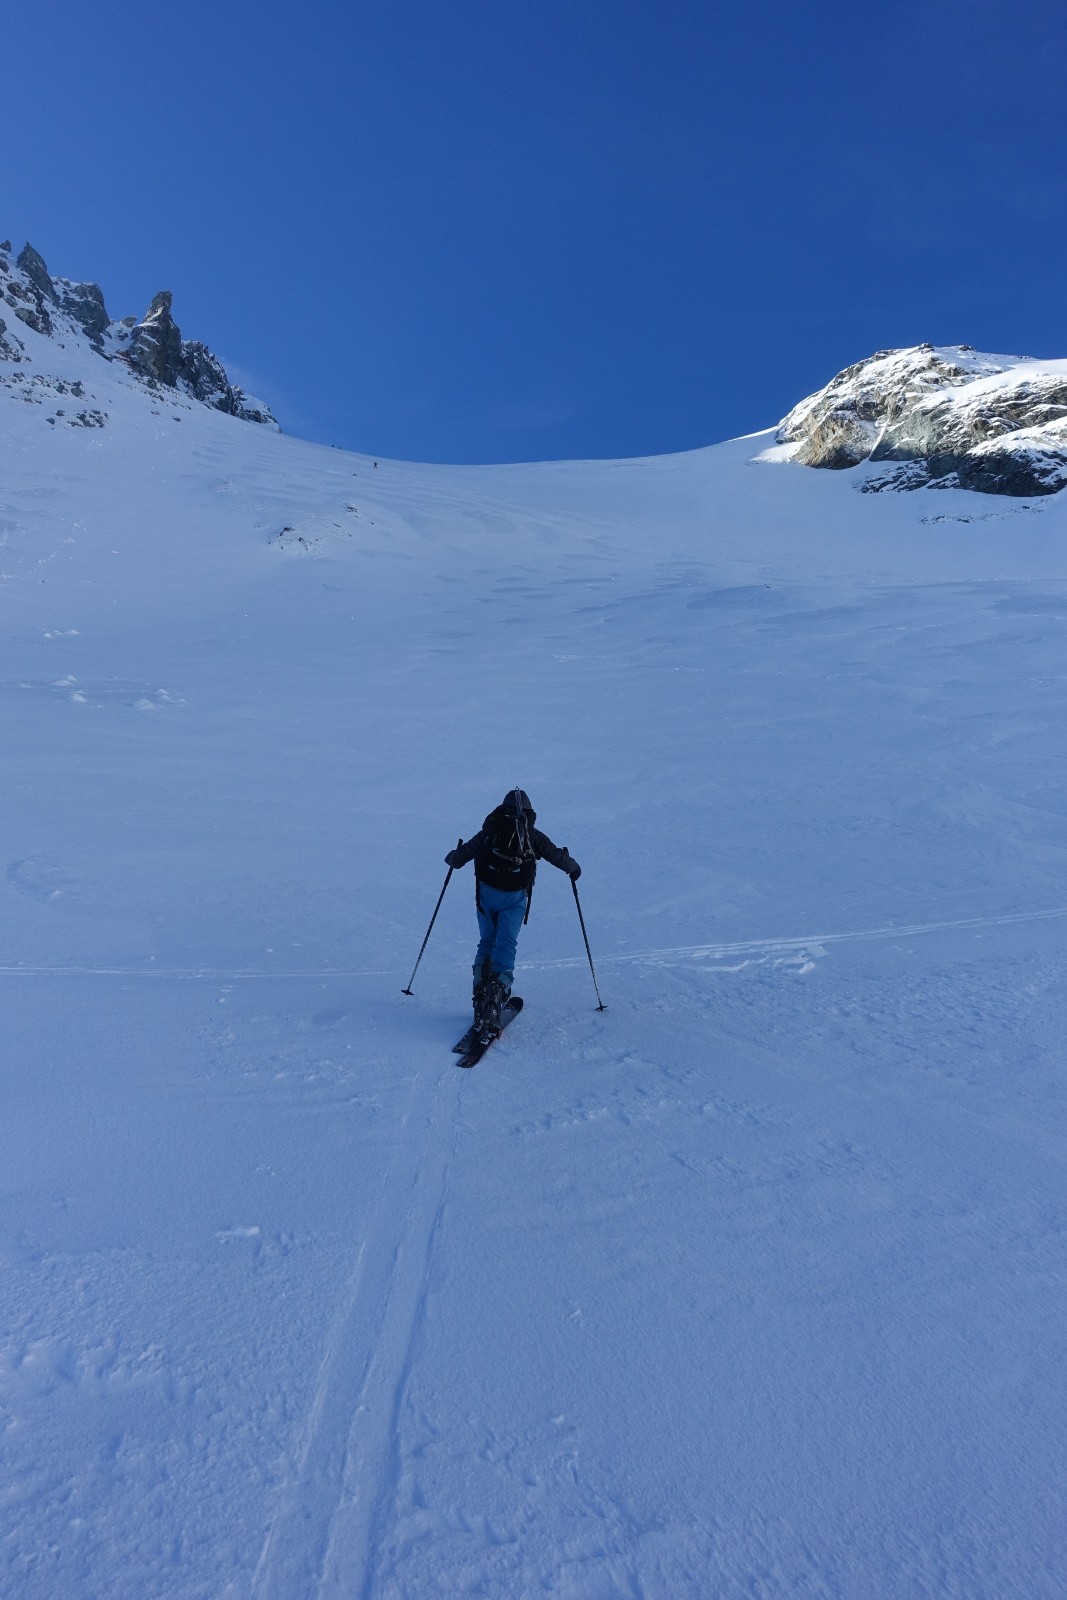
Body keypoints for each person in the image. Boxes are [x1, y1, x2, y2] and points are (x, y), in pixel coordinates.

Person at [445, 789, 580, 1034]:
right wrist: (573, 868)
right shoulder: (532, 835)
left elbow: (464, 854)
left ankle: (480, 996)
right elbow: (554, 855)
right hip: (515, 898)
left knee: (487, 942)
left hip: (486, 894)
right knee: (506, 945)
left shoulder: (491, 829)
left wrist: (453, 857)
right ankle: (496, 998)